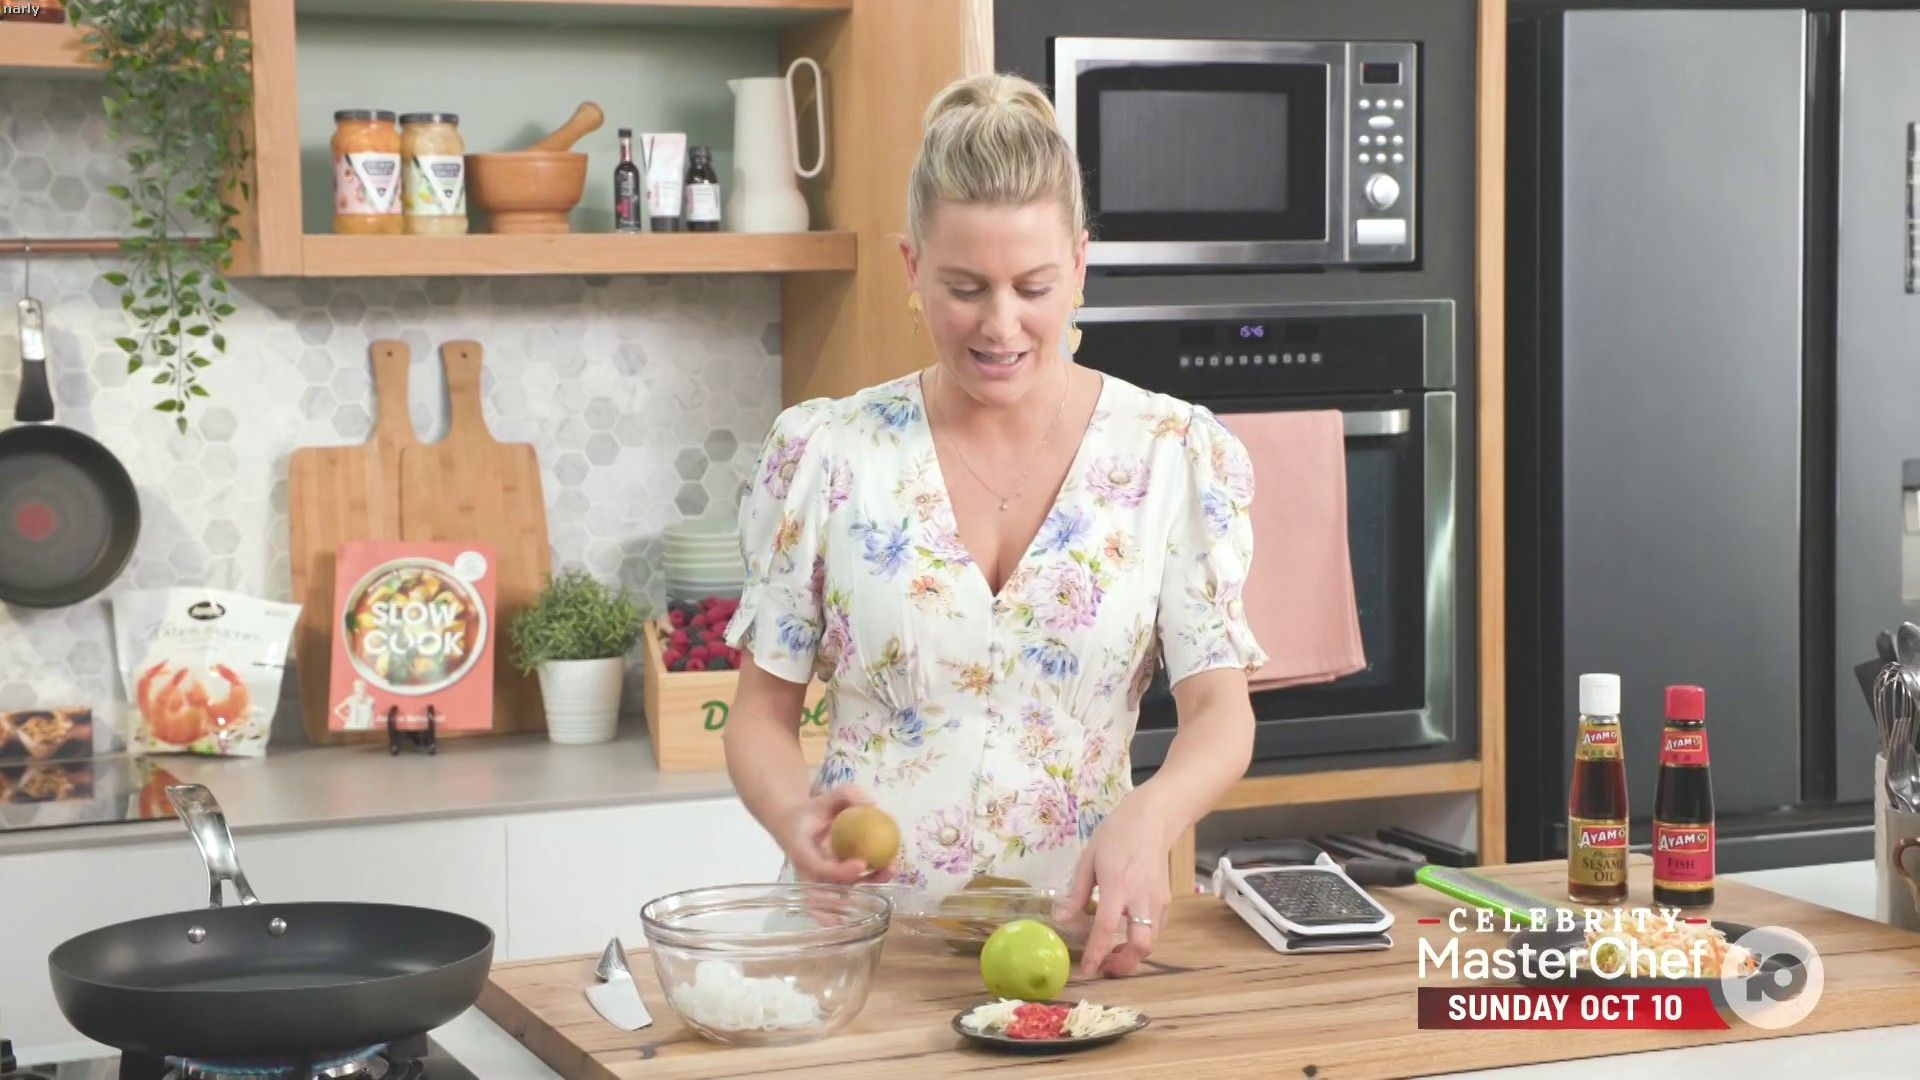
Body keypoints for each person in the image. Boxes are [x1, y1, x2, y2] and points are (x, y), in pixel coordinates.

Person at [722, 72, 1264, 979]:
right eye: (965, 287)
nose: (1001, 325)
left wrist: (1154, 817)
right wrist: (794, 817)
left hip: (1074, 949)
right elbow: (759, 717)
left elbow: (1220, 715)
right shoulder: (827, 452)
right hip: (854, 947)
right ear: (911, 267)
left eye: (1033, 286)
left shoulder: (1172, 455)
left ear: (1080, 266)